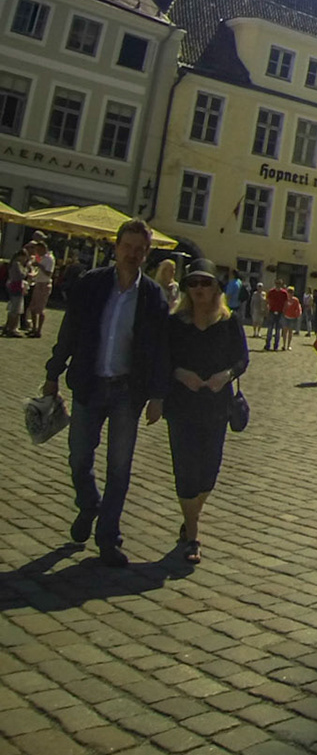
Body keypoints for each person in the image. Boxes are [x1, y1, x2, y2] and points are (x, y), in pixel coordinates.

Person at [41, 219, 170, 565]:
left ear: (147, 254)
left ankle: (108, 537)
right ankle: (89, 504)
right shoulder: (92, 284)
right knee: (79, 456)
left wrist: (157, 395)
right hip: (89, 382)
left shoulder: (153, 296)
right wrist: (53, 372)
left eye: (140, 250)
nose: (132, 254)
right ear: (116, 248)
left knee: (119, 467)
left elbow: (160, 350)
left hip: (128, 391)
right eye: (127, 247)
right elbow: (70, 331)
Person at [164, 259, 249, 564]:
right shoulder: (176, 322)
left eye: (205, 283)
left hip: (216, 405)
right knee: (186, 469)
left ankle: (190, 518)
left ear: (216, 288)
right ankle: (193, 535)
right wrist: (179, 373)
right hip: (182, 405)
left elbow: (242, 359)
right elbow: (163, 358)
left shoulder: (229, 322)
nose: (199, 289)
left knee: (208, 473)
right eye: (193, 283)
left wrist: (226, 375)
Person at [24, 237, 56, 338]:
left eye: (38, 250)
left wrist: (40, 265)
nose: (37, 252)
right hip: (38, 282)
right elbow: (35, 263)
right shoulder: (40, 257)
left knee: (40, 308)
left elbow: (49, 273)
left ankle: (39, 330)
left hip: (45, 284)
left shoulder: (49, 259)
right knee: (33, 307)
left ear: (43, 249)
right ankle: (34, 328)